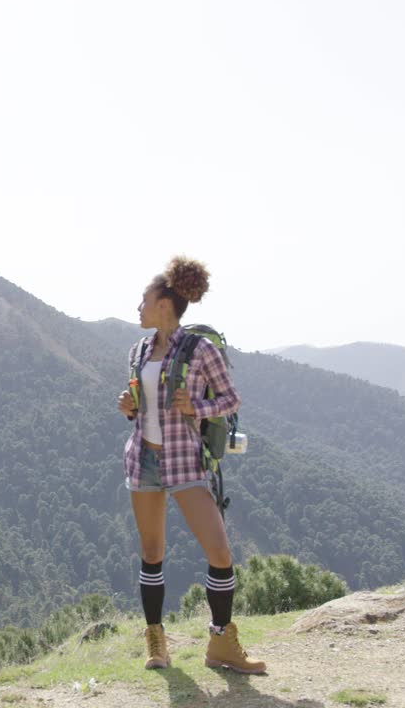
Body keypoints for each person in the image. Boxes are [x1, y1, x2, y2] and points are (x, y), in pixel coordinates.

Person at [116, 256, 267, 674]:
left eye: (144, 300)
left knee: (219, 551)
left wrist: (196, 406)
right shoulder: (139, 350)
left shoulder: (200, 350)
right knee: (151, 552)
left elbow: (231, 399)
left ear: (164, 303)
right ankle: (156, 642)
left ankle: (221, 643)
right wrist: (130, 407)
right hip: (143, 458)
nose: (139, 307)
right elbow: (143, 404)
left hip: (184, 461)